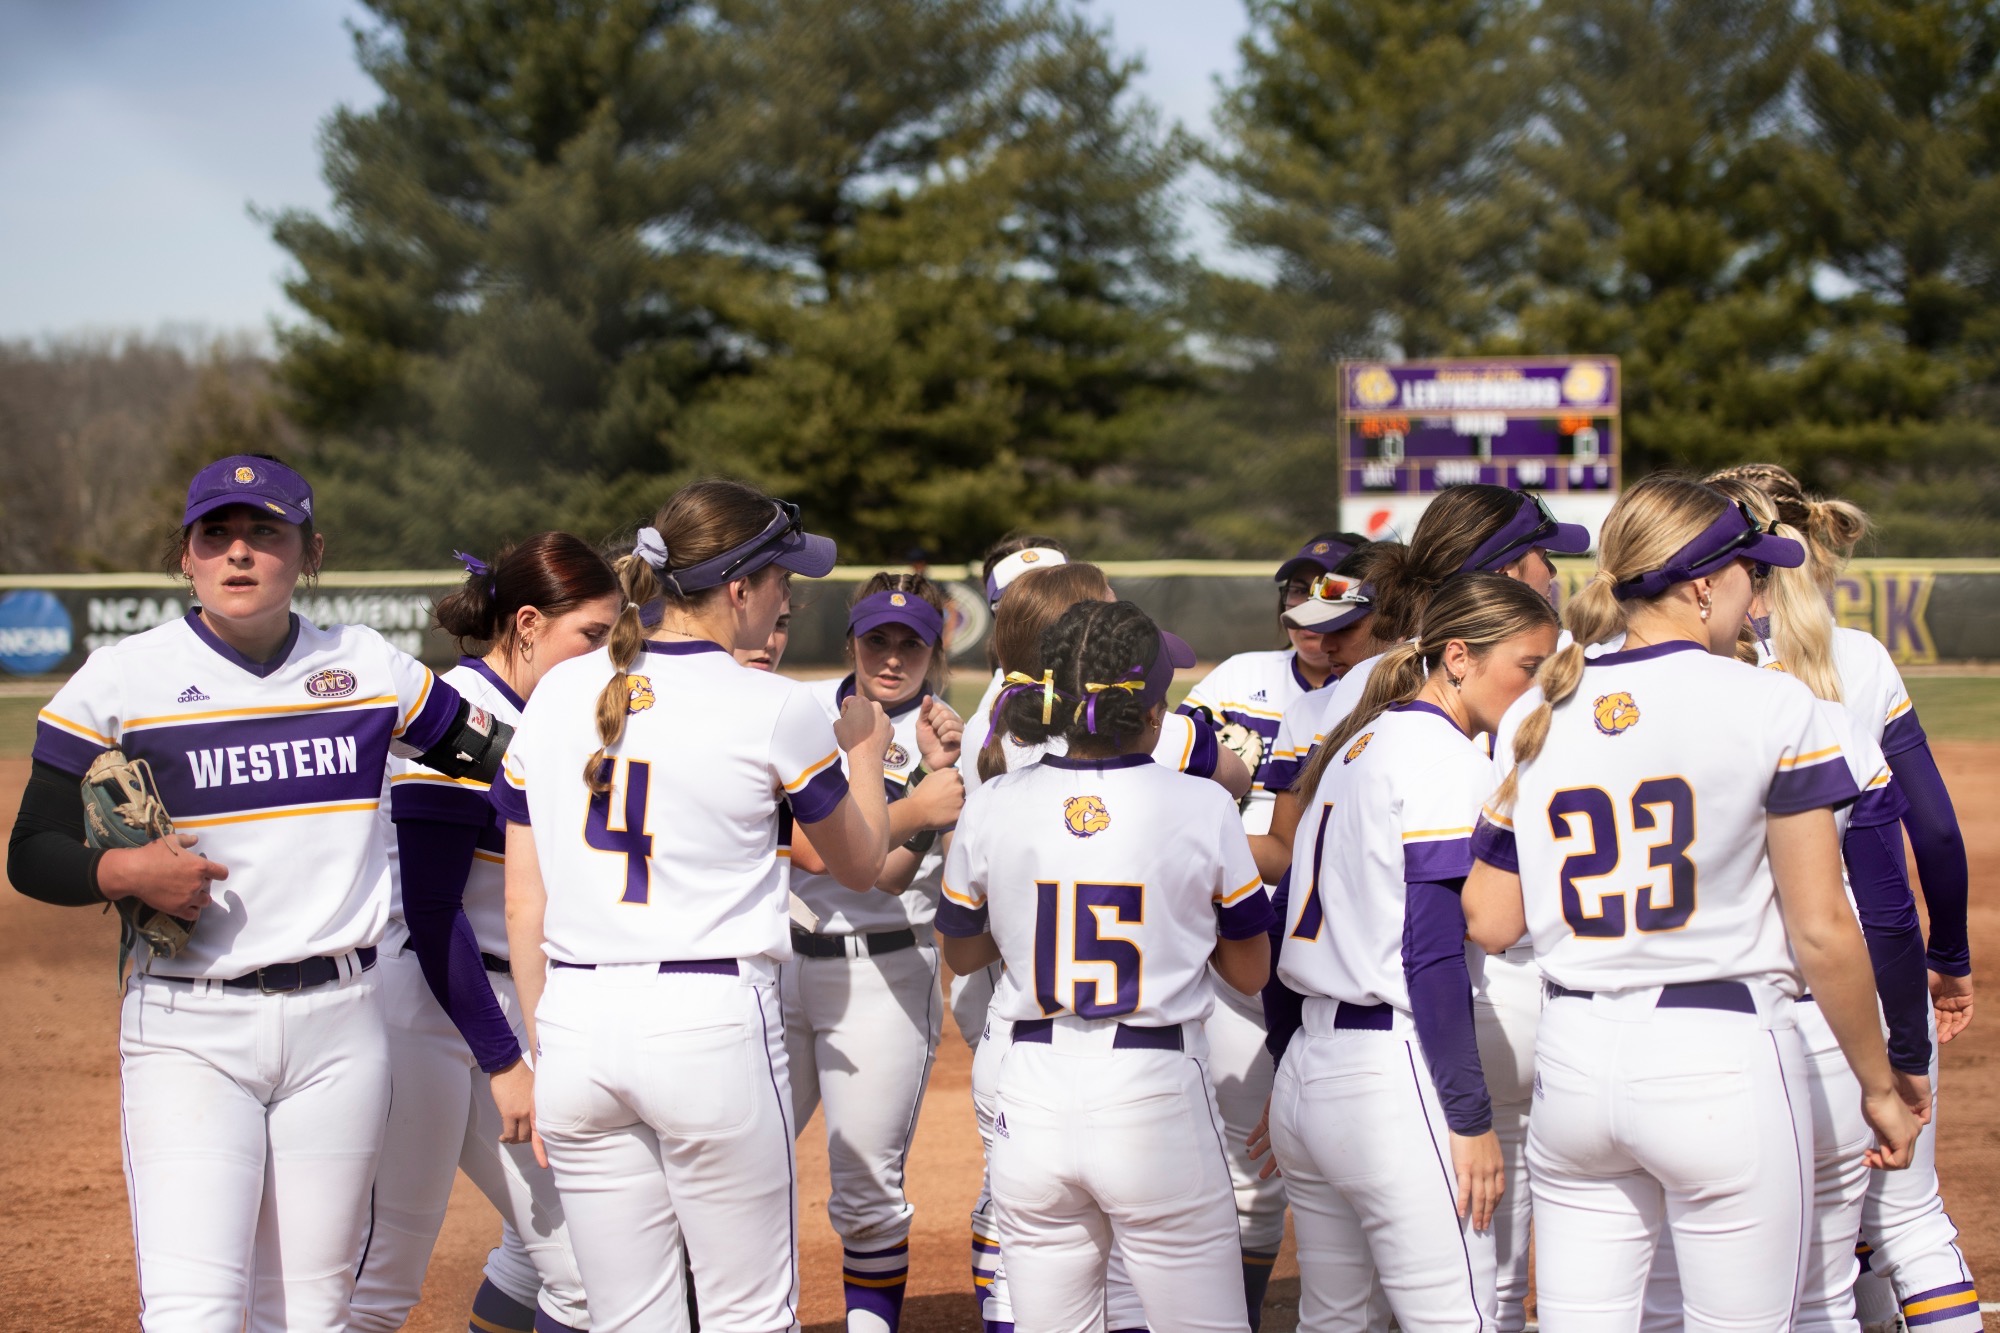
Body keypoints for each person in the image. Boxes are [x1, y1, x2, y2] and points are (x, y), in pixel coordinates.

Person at [8, 454, 506, 1329]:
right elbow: (31, 849)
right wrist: (123, 871)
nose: (240, 553)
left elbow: (502, 757)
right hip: (189, 1026)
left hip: (342, 1029)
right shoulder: (124, 678)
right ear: (188, 557)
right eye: (217, 534)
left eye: (265, 532)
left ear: (309, 551)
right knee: (195, 1310)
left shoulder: (367, 666)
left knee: (308, 1313)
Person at [1461, 475, 1922, 1329]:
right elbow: (1823, 929)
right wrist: (1878, 1084)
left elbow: (1489, 918)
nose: (1759, 592)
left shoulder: (1539, 706)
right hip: (1721, 1056)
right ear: (1705, 583)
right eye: (1752, 571)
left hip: (1574, 1060)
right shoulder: (1772, 702)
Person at [492, 480, 896, 1331]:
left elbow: (523, 902)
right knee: (748, 1313)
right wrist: (866, 750)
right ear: (740, 589)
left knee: (630, 1317)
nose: (790, 595)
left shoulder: (562, 690)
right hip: (708, 1018)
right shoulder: (773, 704)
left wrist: (544, 1041)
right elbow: (860, 864)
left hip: (575, 1023)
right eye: (783, 579)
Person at [1264, 486, 1590, 1332]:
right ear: (1458, 656)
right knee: (1463, 1317)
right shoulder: (1438, 752)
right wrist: (1470, 1119)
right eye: (1526, 664)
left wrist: (1278, 1060)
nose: (1536, 683)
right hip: (1397, 1070)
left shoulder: (1358, 733)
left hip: (1312, 1066)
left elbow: (1289, 901)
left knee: (1335, 1318)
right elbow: (1436, 947)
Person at [1635, 482, 1936, 1331]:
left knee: (1656, 1286)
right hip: (1802, 1014)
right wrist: (1903, 1046)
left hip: (1620, 1035)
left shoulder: (1575, 705)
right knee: (1871, 1246)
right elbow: (1899, 876)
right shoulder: (1816, 697)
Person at [937, 598, 1276, 1333]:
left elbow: (962, 951)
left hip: (1030, 1093)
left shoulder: (993, 802)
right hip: (1152, 1089)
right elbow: (1251, 973)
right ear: (1154, 711)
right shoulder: (1200, 802)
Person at [1710, 463, 1982, 1333]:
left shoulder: (1698, 668)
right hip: (1870, 968)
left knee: (1793, 1245)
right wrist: (1948, 962)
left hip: (1747, 982)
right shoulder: (1857, 658)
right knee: (1905, 1218)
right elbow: (1934, 835)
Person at [350, 534, 621, 1333]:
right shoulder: (461, 721)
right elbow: (431, 912)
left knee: (564, 1262)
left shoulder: (543, 714)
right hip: (438, 1010)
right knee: (387, 1279)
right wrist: (506, 1061)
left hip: (493, 1004)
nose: (606, 658)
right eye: (593, 637)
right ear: (529, 623)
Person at [1169, 531, 1365, 1329]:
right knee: (1249, 1167)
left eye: (1329, 601)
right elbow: (1165, 768)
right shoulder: (1240, 679)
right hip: (1242, 943)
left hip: (1326, 938)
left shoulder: (1390, 694)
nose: (1309, 619)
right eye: (1297, 597)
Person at [782, 573, 968, 1333]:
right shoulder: (797, 712)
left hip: (886, 971)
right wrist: (917, 803)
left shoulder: (945, 734)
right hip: (778, 964)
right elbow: (805, 849)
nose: (891, 657)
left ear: (933, 650)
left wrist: (934, 778)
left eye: (910, 643)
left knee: (866, 1191)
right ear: (852, 639)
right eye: (877, 639)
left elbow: (888, 878)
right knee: (737, 1167)